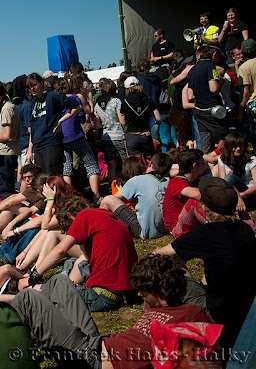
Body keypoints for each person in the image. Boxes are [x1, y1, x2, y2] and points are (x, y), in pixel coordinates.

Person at [1, 255, 211, 369]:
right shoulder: (155, 304)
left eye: (143, 291)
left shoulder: (191, 317)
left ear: (159, 290)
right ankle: (40, 332)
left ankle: (3, 348)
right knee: (59, 282)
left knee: (29, 299)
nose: (138, 295)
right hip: (96, 342)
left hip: (92, 360)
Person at [154, 177, 256, 349]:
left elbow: (162, 253)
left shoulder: (204, 234)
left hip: (219, 310)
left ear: (205, 207)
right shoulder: (245, 229)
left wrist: (156, 253)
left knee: (170, 263)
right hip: (247, 303)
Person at [24, 205, 138, 312]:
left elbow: (60, 251)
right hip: (125, 290)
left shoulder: (83, 217)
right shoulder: (104, 215)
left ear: (70, 217)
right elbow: (87, 256)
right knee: (75, 262)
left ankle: (28, 290)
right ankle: (65, 282)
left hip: (103, 296)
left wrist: (32, 277)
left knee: (38, 290)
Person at [100, 153, 170, 239]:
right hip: (167, 229)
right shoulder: (169, 181)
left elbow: (115, 198)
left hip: (146, 232)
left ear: (150, 163)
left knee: (108, 200)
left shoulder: (137, 180)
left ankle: (102, 234)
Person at [27, 72, 78, 175]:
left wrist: (61, 120)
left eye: (34, 85)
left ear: (41, 83)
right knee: (41, 179)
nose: (32, 89)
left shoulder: (52, 96)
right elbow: (32, 128)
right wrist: (29, 150)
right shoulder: (32, 103)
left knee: (52, 177)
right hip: (38, 146)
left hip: (51, 143)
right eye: (29, 87)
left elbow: (75, 107)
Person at [188, 46, 226, 152]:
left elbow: (190, 96)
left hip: (199, 111)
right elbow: (213, 88)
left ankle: (206, 163)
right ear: (212, 55)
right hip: (212, 109)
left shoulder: (192, 70)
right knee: (224, 137)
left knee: (205, 141)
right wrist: (220, 81)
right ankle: (218, 159)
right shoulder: (211, 66)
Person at [162, 149, 207, 237]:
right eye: (202, 163)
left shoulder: (191, 181)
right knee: (194, 202)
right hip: (177, 229)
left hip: (190, 225)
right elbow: (198, 195)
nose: (205, 166)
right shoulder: (176, 182)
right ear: (195, 166)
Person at [94, 78, 127, 179]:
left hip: (106, 137)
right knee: (125, 163)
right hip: (119, 135)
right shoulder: (116, 101)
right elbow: (122, 120)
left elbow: (98, 125)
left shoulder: (97, 105)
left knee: (111, 165)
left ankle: (112, 186)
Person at [120, 76, 154, 157]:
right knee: (149, 162)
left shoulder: (125, 102)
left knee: (134, 165)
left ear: (127, 89)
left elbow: (123, 121)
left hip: (131, 135)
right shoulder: (148, 99)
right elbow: (157, 117)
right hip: (145, 135)